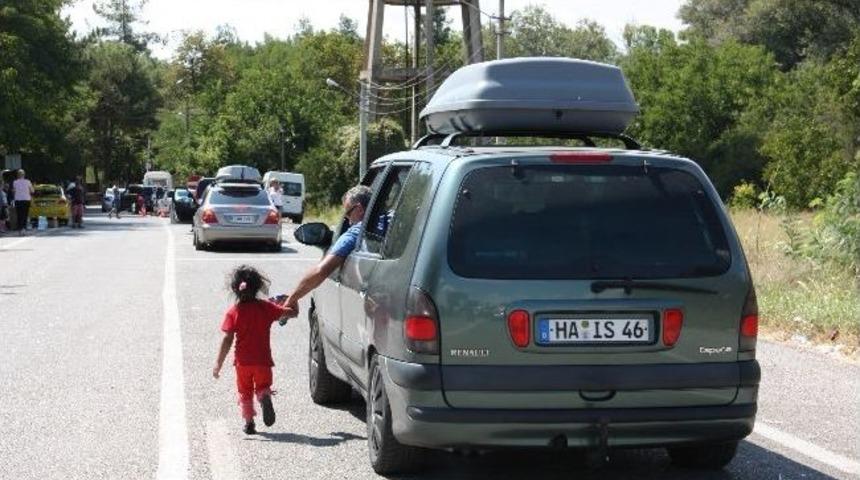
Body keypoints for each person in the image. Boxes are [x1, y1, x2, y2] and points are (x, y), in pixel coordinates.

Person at [213, 265, 297, 435]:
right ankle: (264, 396)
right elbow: (291, 313)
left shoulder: (233, 312)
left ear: (235, 289)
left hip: (242, 363)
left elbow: (227, 339)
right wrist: (293, 302)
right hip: (263, 361)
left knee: (245, 392)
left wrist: (218, 363)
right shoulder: (266, 308)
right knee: (263, 385)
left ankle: (249, 422)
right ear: (258, 287)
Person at [283, 185, 371, 313]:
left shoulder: (356, 232)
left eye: (347, 213)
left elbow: (321, 271)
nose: (348, 220)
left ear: (359, 209)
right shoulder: (394, 220)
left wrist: (291, 299)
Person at [12, 169, 34, 236]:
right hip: (26, 200)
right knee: (25, 215)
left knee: (19, 215)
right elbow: (32, 191)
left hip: (18, 200)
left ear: (18, 175)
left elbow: (14, 191)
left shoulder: (15, 182)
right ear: (24, 175)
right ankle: (24, 229)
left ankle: (20, 230)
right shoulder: (28, 182)